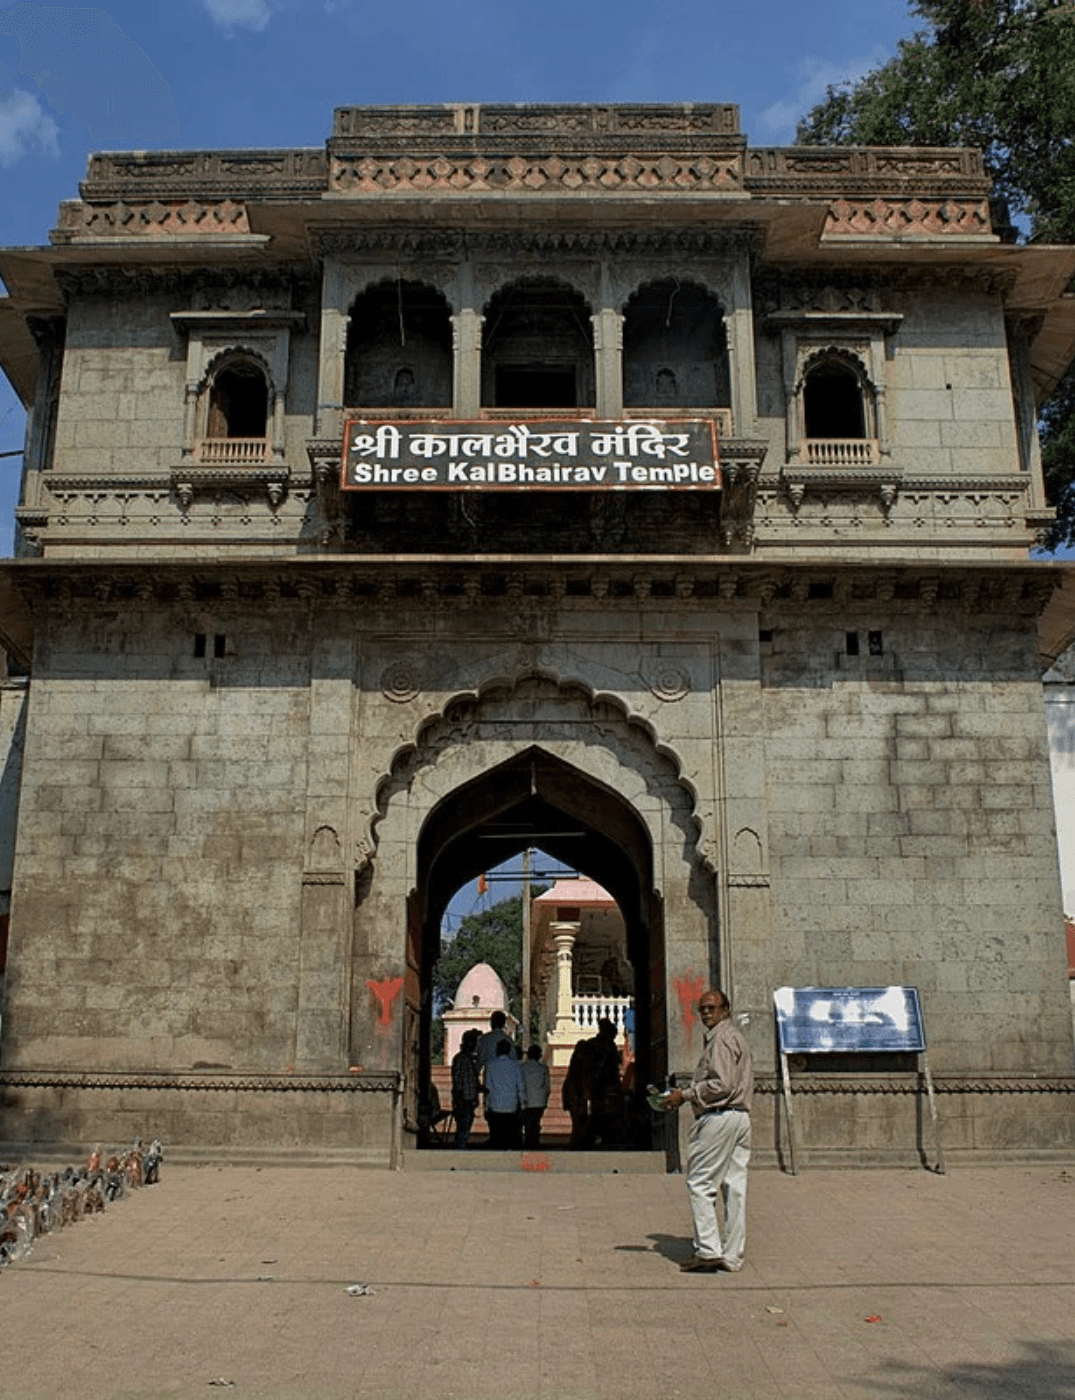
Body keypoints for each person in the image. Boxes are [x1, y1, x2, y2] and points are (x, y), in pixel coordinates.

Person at [662, 987, 753, 1274]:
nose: (706, 1013)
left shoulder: (722, 1040)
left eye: (712, 1008)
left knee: (700, 1183)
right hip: (740, 1117)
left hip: (720, 1117)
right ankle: (732, 1254)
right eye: (702, 1009)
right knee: (734, 1187)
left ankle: (708, 1250)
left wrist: (686, 1095)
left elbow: (722, 1084)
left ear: (725, 1010)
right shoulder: (733, 1037)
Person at [562, 1017, 623, 1149]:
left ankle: (583, 1140)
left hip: (593, 1090)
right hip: (590, 1089)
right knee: (584, 1119)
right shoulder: (596, 1047)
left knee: (586, 1119)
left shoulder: (602, 1046)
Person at [484, 1038, 525, 1148]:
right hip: (511, 1106)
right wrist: (522, 1106)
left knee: (497, 1139)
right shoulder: (516, 1065)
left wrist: (486, 1106)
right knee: (510, 1139)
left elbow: (488, 1087)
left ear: (497, 1050)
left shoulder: (491, 1065)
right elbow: (520, 1087)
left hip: (496, 1106)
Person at [450, 1028, 481, 1149]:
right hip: (463, 1100)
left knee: (464, 1129)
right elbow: (458, 1081)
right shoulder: (462, 1059)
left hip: (467, 1098)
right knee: (463, 1129)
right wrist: (459, 1100)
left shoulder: (466, 1059)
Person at [520, 1043, 551, 1149]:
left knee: (528, 1123)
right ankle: (534, 1141)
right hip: (539, 1100)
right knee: (535, 1122)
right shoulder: (543, 1068)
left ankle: (528, 1141)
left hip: (526, 1100)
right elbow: (547, 1087)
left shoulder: (522, 1067)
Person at [476, 1010, 512, 1081]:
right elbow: (513, 1060)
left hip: (489, 1078)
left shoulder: (484, 1039)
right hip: (506, 1078)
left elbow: (479, 1062)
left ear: (491, 1023)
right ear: (504, 1023)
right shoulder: (509, 1040)